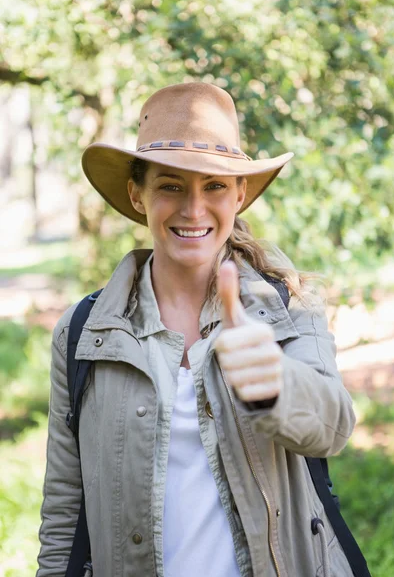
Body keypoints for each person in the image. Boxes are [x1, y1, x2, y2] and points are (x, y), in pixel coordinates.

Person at [37, 82, 356, 577]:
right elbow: (64, 510)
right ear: (136, 195)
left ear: (240, 195)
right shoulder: (82, 333)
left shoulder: (287, 305)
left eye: (214, 186)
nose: (193, 209)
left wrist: (275, 381)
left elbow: (333, 427)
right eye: (170, 185)